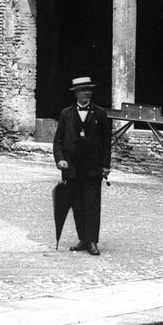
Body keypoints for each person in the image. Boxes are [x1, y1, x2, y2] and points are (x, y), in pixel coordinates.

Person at [52, 77, 111, 256]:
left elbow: (106, 142)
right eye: (84, 90)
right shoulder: (66, 114)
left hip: (93, 168)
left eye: (89, 89)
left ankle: (92, 241)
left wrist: (105, 165)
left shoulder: (100, 113)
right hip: (72, 169)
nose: (88, 92)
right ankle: (83, 239)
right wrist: (60, 160)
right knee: (77, 205)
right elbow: (58, 141)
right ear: (76, 93)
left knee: (92, 205)